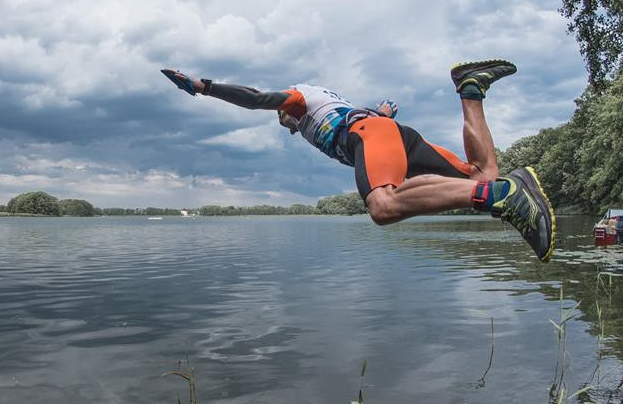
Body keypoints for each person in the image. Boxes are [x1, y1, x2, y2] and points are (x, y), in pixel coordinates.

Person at [161, 60, 556, 262]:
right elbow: (375, 116)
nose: (285, 124)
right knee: (481, 173)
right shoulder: (335, 105)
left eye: (284, 120)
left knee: (383, 206)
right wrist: (382, 110)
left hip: (370, 134)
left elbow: (258, 98)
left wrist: (204, 87)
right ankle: (471, 87)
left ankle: (499, 196)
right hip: (391, 135)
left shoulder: (300, 98)